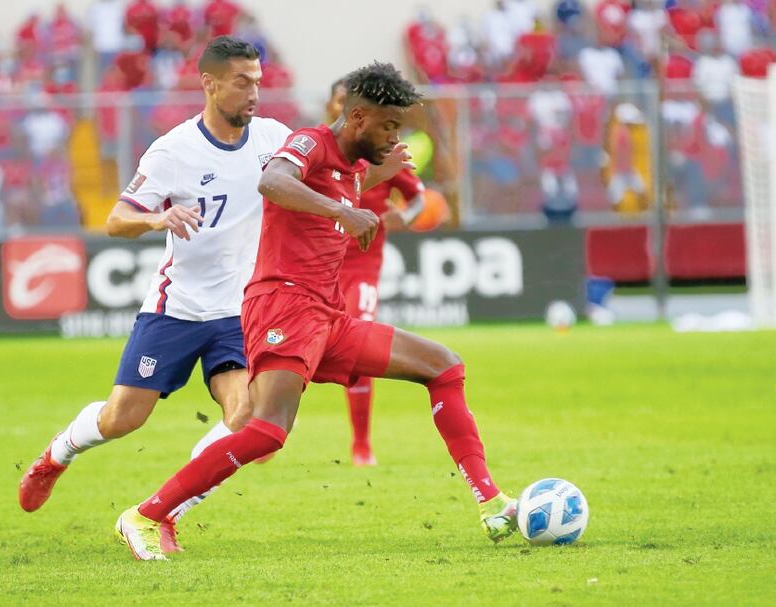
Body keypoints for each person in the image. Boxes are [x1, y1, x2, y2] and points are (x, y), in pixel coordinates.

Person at [115, 62, 517, 561]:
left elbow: (345, 180)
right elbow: (273, 181)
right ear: (358, 118)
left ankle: (491, 501)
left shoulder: (352, 164)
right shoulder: (309, 142)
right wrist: (343, 212)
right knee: (267, 431)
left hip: (328, 316)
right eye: (389, 126)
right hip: (281, 305)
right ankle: (147, 515)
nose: (395, 135)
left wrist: (377, 175)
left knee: (444, 365)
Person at [18, 37, 294, 548]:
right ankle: (57, 454)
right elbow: (116, 219)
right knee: (122, 418)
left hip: (239, 313)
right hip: (177, 309)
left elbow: (316, 168)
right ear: (209, 84)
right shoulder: (174, 150)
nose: (254, 92)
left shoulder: (274, 137)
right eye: (242, 81)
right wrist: (157, 216)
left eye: (257, 81)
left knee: (251, 423)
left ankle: (161, 513)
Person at [326, 79, 425, 466]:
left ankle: (361, 444)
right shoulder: (316, 151)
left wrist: (407, 216)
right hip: (319, 267)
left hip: (362, 268)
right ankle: (266, 423)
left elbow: (418, 197)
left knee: (359, 348)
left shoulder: (380, 155)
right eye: (338, 101)